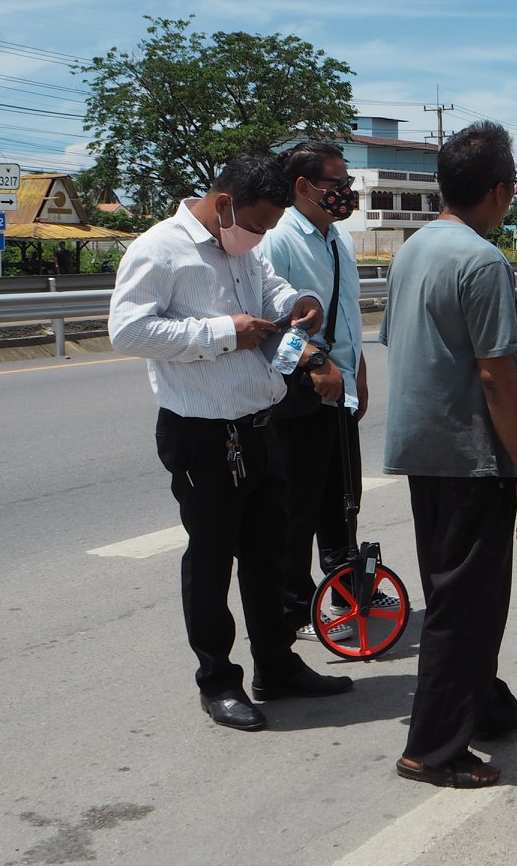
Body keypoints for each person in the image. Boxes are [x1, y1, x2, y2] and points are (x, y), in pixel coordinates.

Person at [109, 154, 352, 732]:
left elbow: (270, 291)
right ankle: (217, 681)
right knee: (212, 559)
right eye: (258, 224)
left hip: (259, 422)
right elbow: (127, 330)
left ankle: (277, 665)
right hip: (201, 431)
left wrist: (297, 304)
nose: (261, 236)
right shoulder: (160, 249)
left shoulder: (243, 248)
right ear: (224, 205)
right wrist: (224, 332)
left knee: (270, 555)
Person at [379, 120, 517, 788]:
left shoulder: (414, 249)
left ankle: (485, 705)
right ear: (500, 190)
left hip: (422, 447)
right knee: (466, 604)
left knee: (457, 592)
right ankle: (433, 748)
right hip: (469, 452)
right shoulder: (483, 262)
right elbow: (496, 375)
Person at [260, 142, 367, 644]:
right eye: (336, 183)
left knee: (342, 498)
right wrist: (315, 362)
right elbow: (269, 324)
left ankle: (347, 591)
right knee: (297, 503)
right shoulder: (279, 239)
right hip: (299, 387)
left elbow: (347, 314)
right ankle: (295, 606)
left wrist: (358, 371)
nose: (346, 192)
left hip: (340, 385)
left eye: (348, 182)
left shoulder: (337, 239)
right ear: (303, 186)